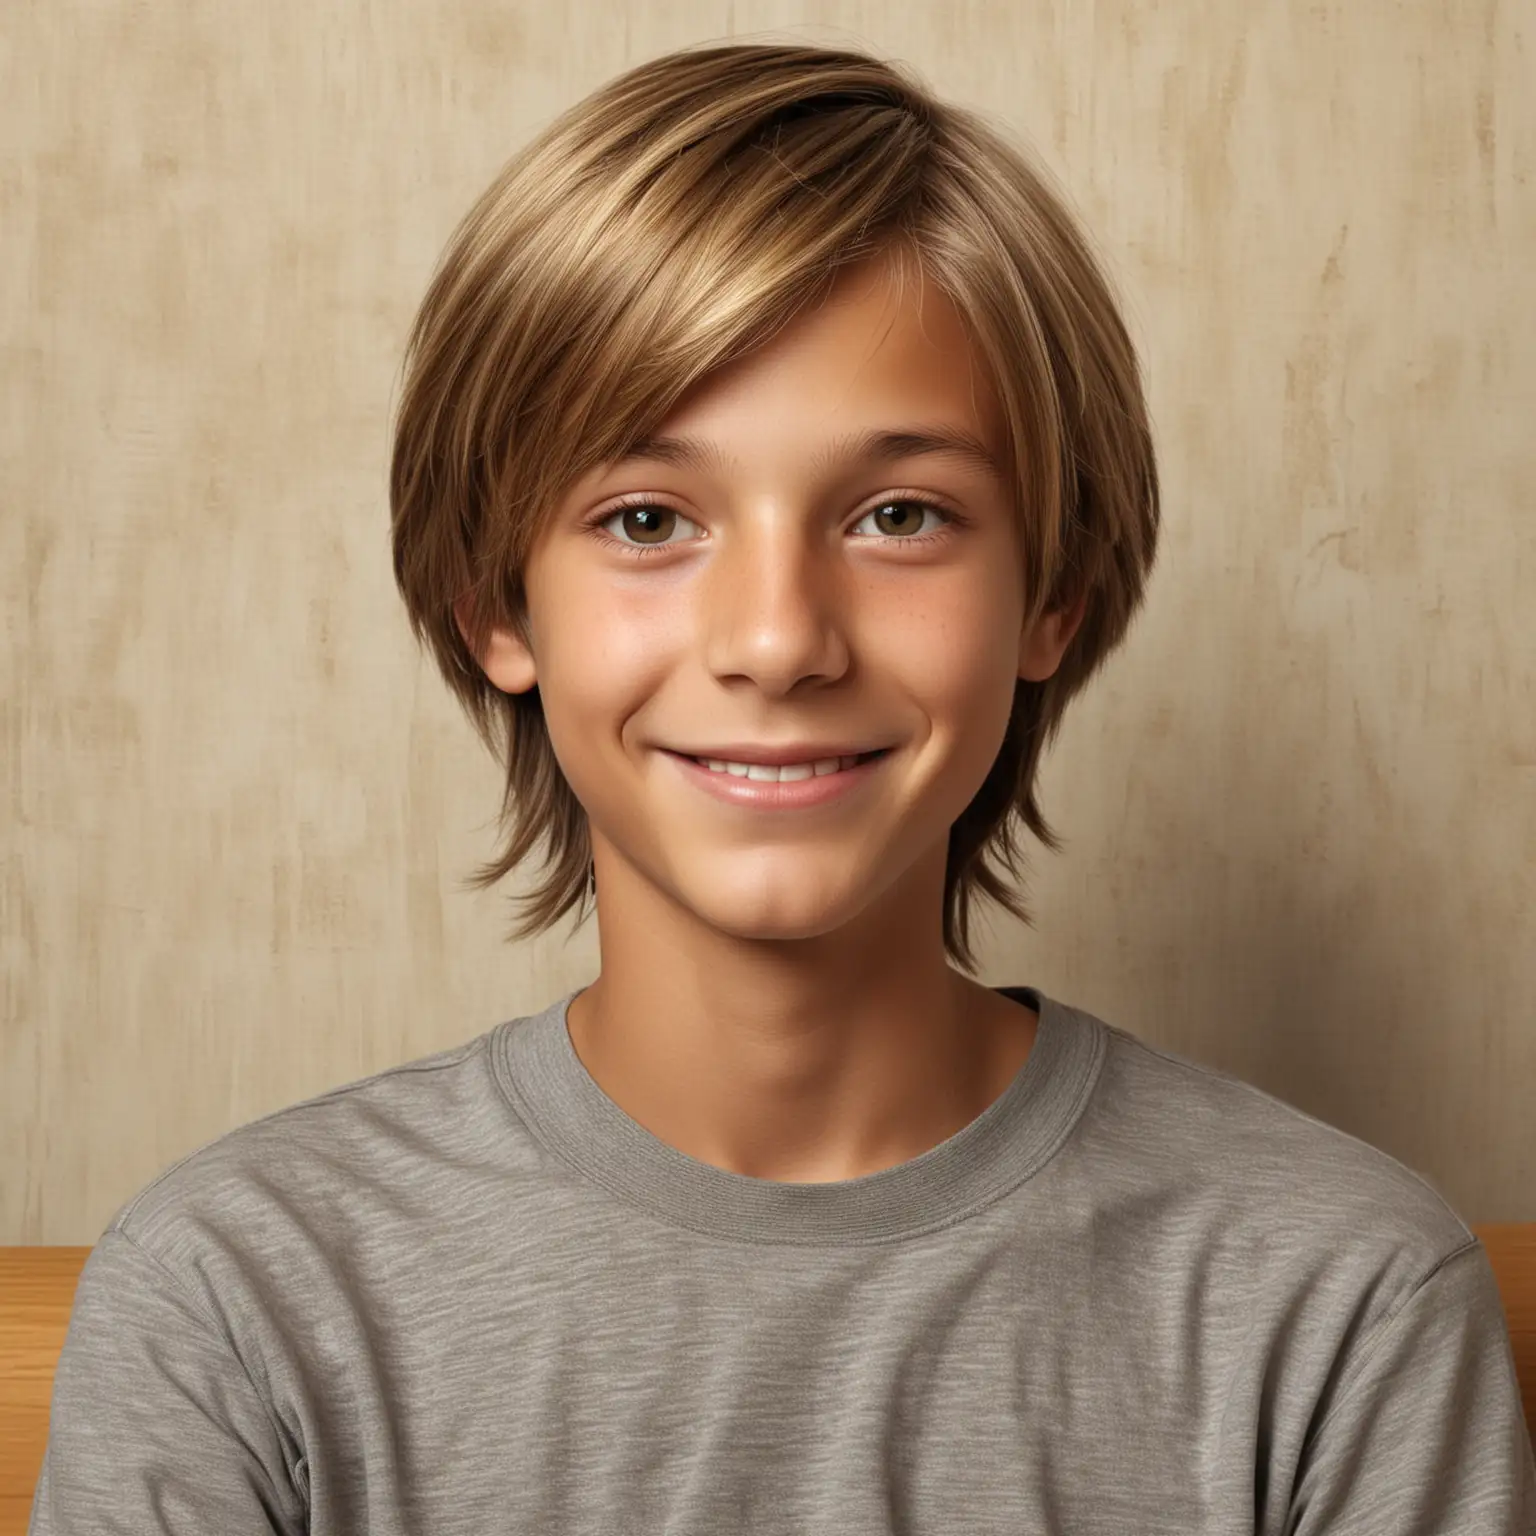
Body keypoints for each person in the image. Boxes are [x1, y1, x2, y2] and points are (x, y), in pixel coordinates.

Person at [31, 40, 1535, 1535]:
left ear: (1053, 595)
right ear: (497, 602)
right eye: (644, 517)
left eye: (898, 514)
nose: (776, 639)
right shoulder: (239, 1298)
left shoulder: (1342, 1304)